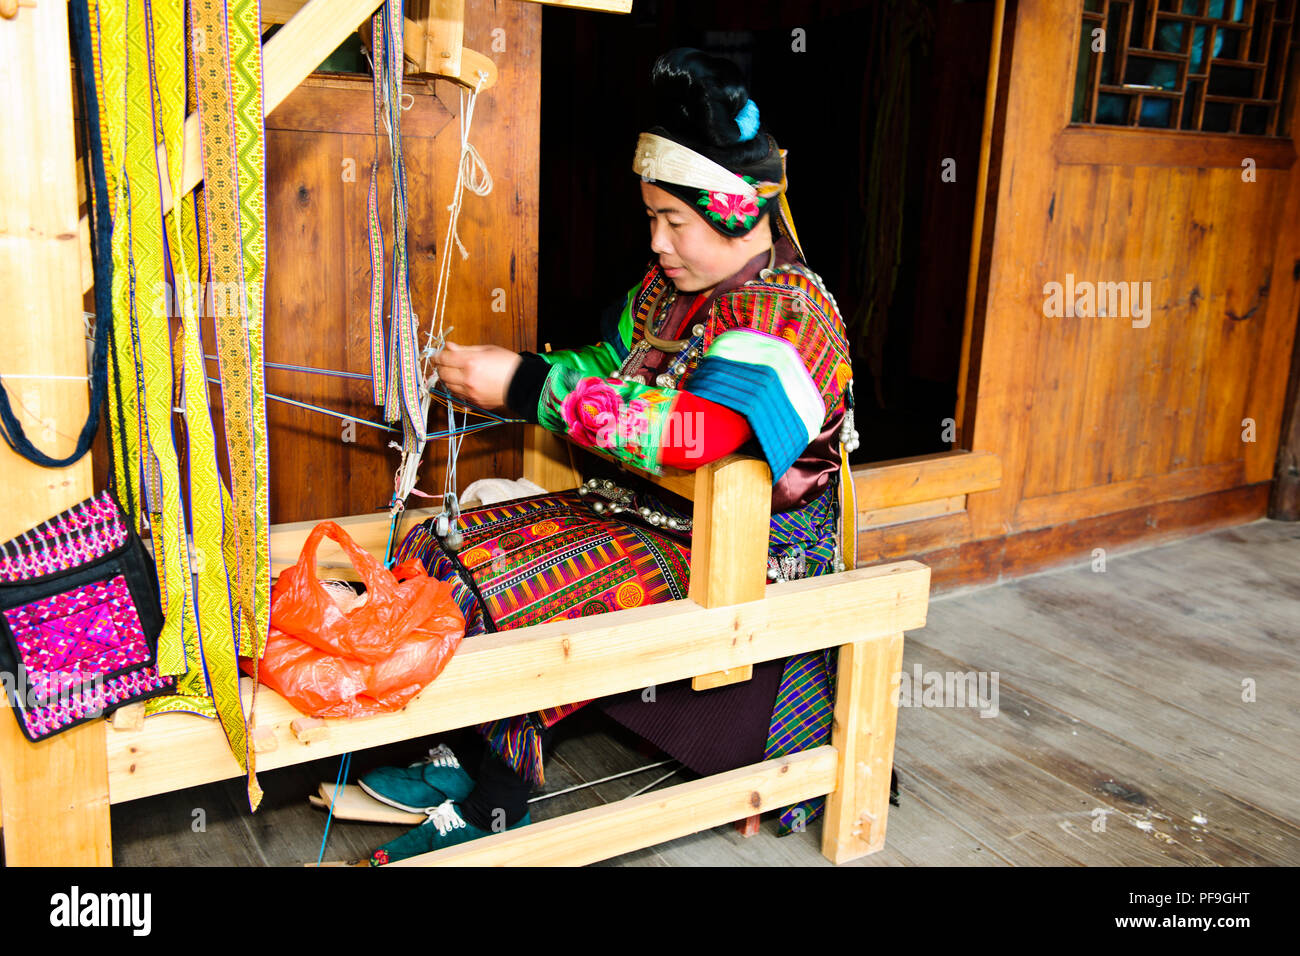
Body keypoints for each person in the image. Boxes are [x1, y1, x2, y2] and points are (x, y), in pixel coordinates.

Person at [362, 47, 858, 865]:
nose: (656, 240)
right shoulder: (670, 289)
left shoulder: (789, 321)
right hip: (647, 510)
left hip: (743, 550)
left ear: (736, 210)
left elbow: (697, 434)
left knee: (514, 590)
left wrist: (526, 388)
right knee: (437, 545)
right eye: (651, 217)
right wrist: (515, 369)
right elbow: (609, 366)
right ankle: (473, 755)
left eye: (675, 220)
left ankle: (498, 805)